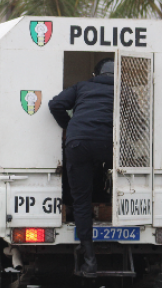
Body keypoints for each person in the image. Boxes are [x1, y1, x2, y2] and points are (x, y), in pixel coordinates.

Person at [48, 58, 115, 278]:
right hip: (108, 145)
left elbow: (55, 104)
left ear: (96, 75)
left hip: (79, 144)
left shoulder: (82, 86)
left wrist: (68, 127)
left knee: (81, 201)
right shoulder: (123, 90)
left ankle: (90, 260)